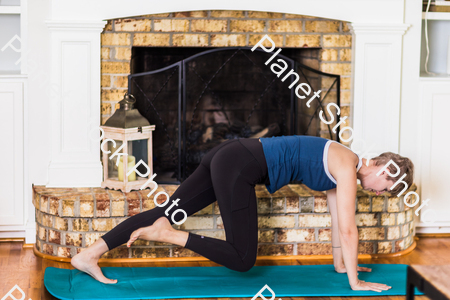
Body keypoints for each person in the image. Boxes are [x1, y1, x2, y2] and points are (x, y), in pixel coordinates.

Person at [71, 135, 414, 292]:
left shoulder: (343, 163)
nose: (378, 192)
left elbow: (338, 222)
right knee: (242, 258)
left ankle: (88, 254)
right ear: (385, 171)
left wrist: (341, 266)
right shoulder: (347, 163)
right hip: (240, 166)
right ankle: (169, 233)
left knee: (165, 210)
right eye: (385, 188)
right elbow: (350, 229)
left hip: (230, 154)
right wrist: (355, 283)